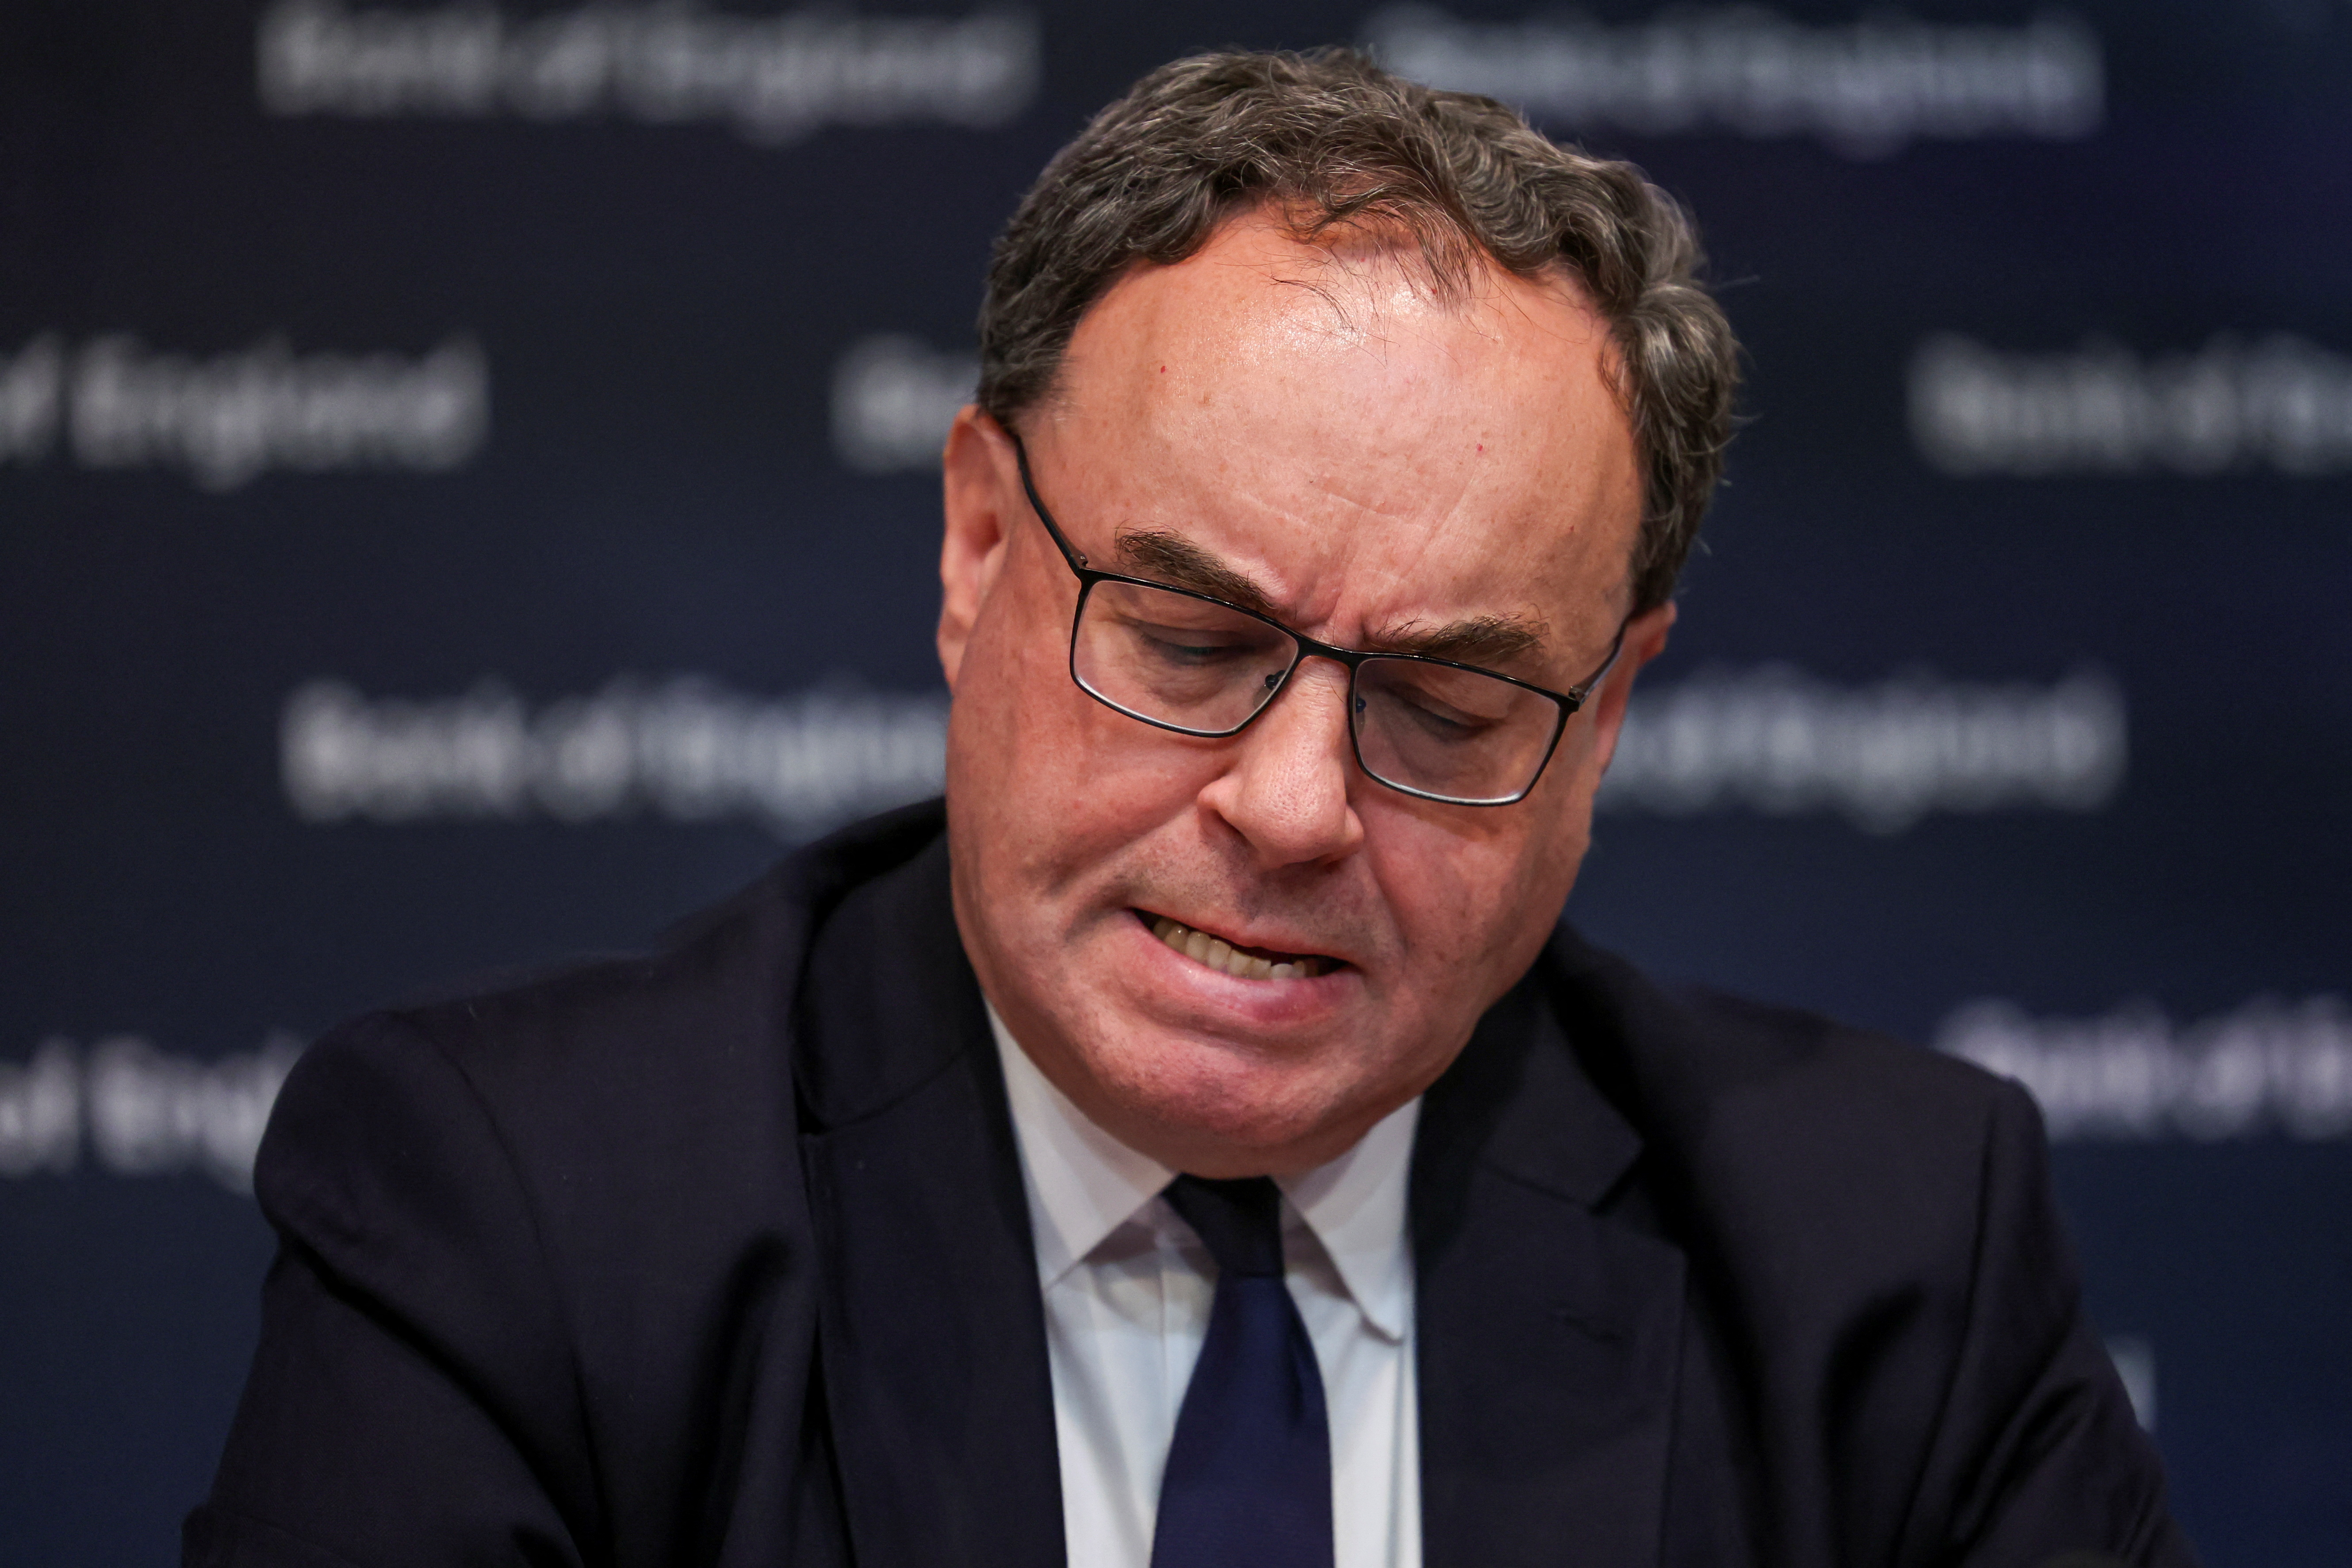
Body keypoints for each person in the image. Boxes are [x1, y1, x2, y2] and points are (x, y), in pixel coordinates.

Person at [187, 50, 2195, 1568]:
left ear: (1607, 718)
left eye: (1449, 699)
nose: (1296, 805)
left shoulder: (1887, 1259)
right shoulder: (528, 1216)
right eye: (1188, 637)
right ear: (980, 546)